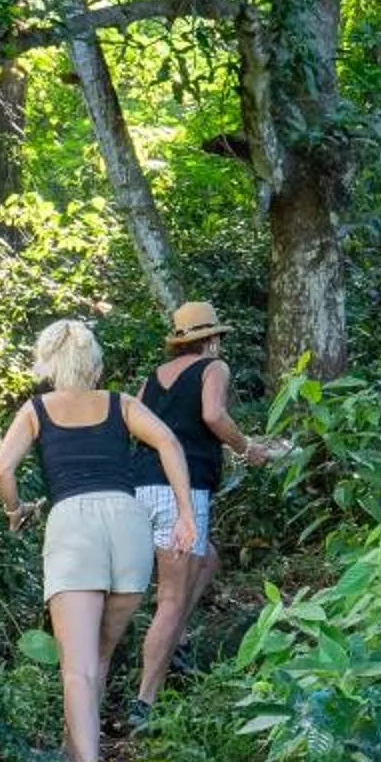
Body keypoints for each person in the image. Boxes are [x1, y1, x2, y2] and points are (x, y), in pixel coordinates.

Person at [0, 319, 195, 762]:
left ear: (49, 366)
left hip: (73, 524)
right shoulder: (121, 403)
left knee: (76, 667)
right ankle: (70, 753)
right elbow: (168, 441)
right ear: (95, 364)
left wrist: (14, 511)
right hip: (127, 524)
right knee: (99, 656)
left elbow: (1, 470)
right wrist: (186, 513)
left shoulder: (37, 410)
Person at [127, 300, 287, 728]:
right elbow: (213, 414)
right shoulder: (214, 368)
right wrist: (247, 448)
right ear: (211, 338)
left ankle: (174, 641)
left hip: (138, 486)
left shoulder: (154, 377)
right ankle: (145, 701)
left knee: (208, 558)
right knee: (171, 599)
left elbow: (133, 420)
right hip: (182, 492)